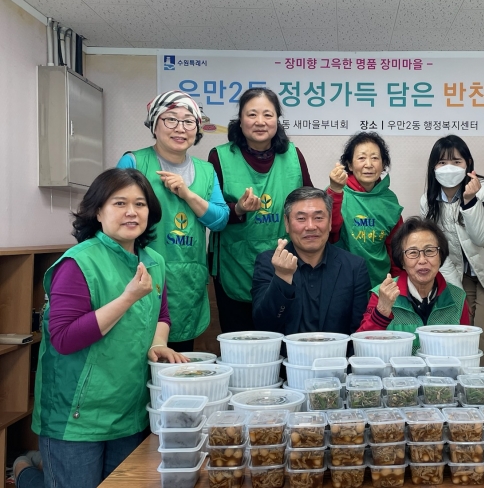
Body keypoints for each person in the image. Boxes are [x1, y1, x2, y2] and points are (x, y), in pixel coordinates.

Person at [19, 168, 188, 488]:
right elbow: (65, 338)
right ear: (97, 211)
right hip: (77, 416)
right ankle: (26, 473)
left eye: (140, 204)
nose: (131, 212)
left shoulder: (154, 261)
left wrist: (158, 344)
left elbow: (160, 314)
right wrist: (126, 298)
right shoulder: (78, 262)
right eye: (119, 203)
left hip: (130, 410)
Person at [117, 90, 229, 351]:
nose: (180, 128)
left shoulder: (206, 170)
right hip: (139, 275)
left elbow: (220, 220)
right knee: (136, 356)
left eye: (189, 121)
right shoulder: (134, 162)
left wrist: (187, 194)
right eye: (170, 119)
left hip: (186, 283)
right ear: (154, 125)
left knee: (177, 361)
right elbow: (114, 213)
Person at [209, 88, 313, 334]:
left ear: (277, 119)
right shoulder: (220, 157)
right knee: (241, 343)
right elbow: (211, 214)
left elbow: (309, 204)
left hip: (284, 262)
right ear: (240, 119)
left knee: (283, 339)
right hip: (234, 263)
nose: (260, 122)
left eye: (268, 114)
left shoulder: (293, 155)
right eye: (252, 114)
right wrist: (239, 209)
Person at [421, 135, 484, 366]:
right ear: (433, 167)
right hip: (459, 276)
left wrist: (470, 202)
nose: (449, 168)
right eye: (442, 163)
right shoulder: (428, 201)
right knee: (462, 331)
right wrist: (455, 290)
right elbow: (436, 249)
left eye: (456, 161)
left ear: (468, 164)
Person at [252, 187, 370, 335]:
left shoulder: (354, 267)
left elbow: (358, 332)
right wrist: (282, 278)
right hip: (286, 357)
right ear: (287, 223)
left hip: (335, 356)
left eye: (318, 218)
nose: (311, 226)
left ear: (330, 222)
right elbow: (264, 325)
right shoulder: (269, 263)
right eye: (301, 219)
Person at [357, 217, 470, 353]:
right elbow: (362, 349)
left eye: (429, 251)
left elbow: (466, 350)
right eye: (412, 253)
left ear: (441, 256)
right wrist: (382, 311)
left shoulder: (457, 298)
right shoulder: (381, 295)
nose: (422, 260)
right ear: (402, 261)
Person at [328, 131, 404, 288]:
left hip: (380, 283)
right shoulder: (337, 192)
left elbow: (395, 247)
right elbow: (330, 230)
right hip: (340, 281)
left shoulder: (389, 200)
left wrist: (398, 282)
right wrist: (334, 192)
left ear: (383, 164)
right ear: (349, 164)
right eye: (361, 158)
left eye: (375, 158)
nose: (368, 164)